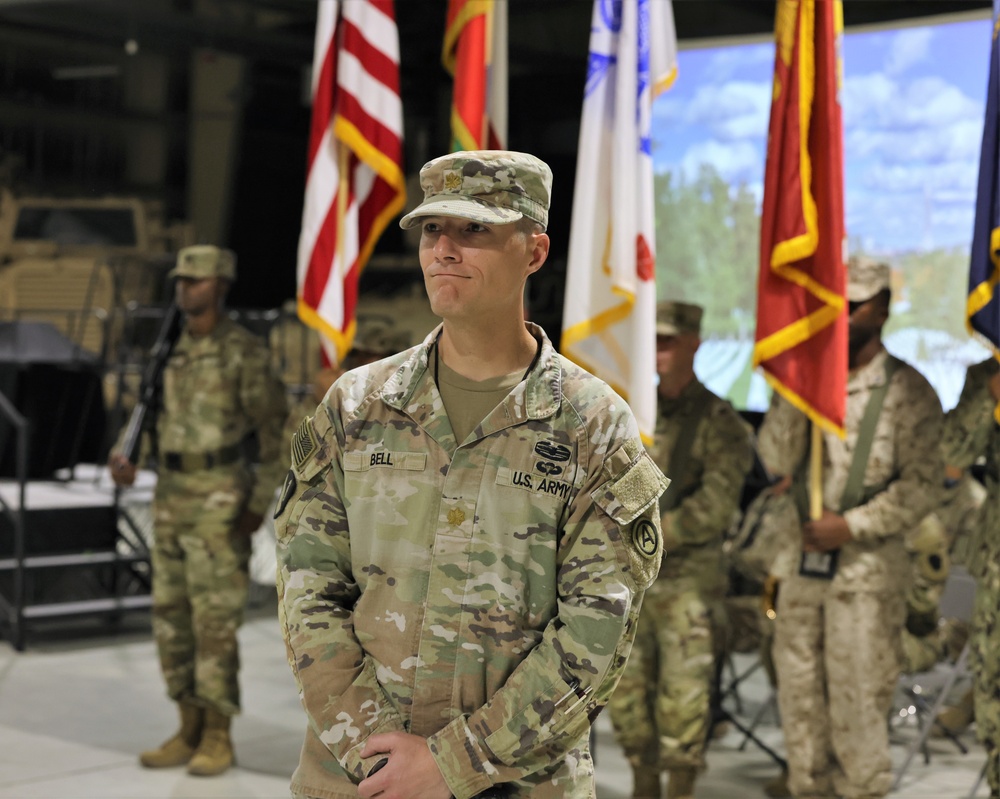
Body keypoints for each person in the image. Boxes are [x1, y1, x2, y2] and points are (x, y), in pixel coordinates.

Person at [274, 149, 669, 799]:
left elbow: (598, 631)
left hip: (518, 781)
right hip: (358, 777)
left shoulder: (592, 425)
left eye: (474, 230)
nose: (444, 250)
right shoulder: (357, 404)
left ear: (534, 252)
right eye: (433, 229)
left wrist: (453, 763)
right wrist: (375, 750)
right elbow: (307, 587)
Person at [756, 255, 944, 799]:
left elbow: (922, 484)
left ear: (882, 308)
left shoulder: (910, 392)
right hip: (799, 569)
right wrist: (798, 388)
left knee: (859, 714)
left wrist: (854, 525)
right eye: (832, 304)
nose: (841, 316)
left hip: (864, 578)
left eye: (855, 306)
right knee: (801, 711)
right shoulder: (807, 385)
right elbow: (773, 456)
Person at [108, 244, 288, 776]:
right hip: (171, 497)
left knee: (214, 623)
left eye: (197, 280)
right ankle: (186, 724)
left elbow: (276, 431)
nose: (186, 288)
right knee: (170, 618)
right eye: (182, 280)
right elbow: (148, 412)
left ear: (221, 285)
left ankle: (217, 733)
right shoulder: (169, 350)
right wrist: (127, 455)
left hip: (221, 501)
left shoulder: (242, 352)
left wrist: (259, 502)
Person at [608, 301, 752, 799]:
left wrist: (649, 529)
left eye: (669, 341)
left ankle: (681, 787)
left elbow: (714, 507)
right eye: (654, 340)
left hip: (688, 577)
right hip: (631, 577)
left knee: (683, 698)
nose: (658, 351)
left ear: (694, 343)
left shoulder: (721, 422)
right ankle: (642, 784)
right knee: (628, 695)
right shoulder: (629, 414)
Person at [941, 356, 1000, 798]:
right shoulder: (985, 375)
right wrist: (990, 395)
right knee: (992, 693)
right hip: (996, 564)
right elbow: (955, 454)